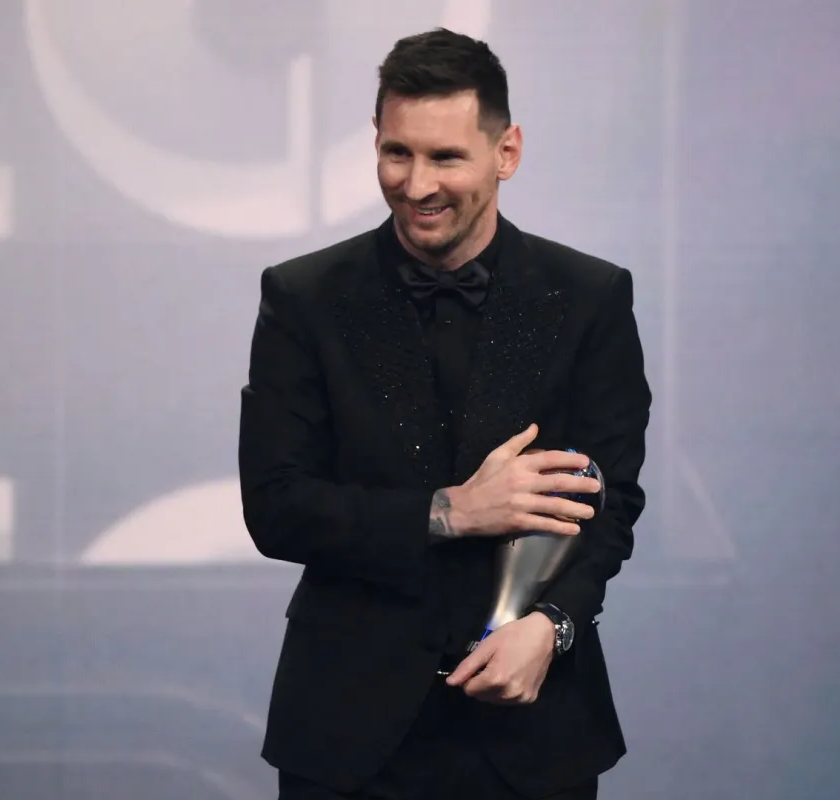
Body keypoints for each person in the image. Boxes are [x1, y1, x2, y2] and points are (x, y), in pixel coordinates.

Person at [238, 28, 651, 800]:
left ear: (508, 152)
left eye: (446, 158)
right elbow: (277, 508)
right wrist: (450, 513)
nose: (417, 183)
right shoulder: (303, 298)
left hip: (532, 733)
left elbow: (610, 502)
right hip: (347, 735)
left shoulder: (589, 298)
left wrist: (552, 627)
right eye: (398, 153)